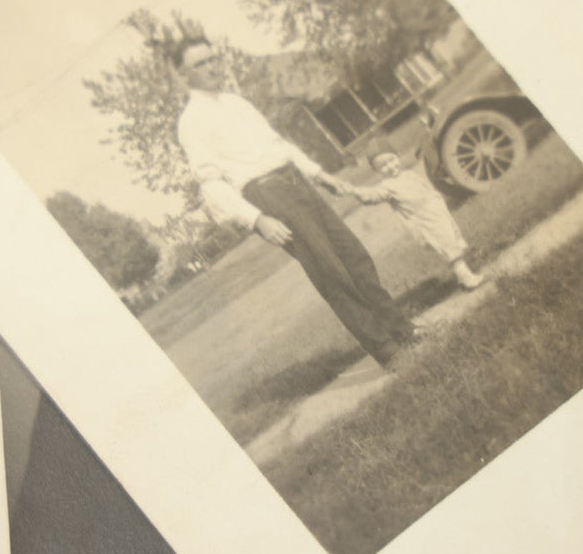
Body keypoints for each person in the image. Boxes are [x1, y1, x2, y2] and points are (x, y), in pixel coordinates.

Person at [173, 40, 417, 364]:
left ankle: (402, 329)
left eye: (213, 59)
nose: (212, 66)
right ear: (184, 75)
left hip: (295, 179)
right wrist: (256, 219)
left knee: (353, 255)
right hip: (267, 194)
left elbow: (279, 145)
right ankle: (386, 350)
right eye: (201, 64)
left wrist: (320, 175)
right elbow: (211, 183)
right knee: (330, 271)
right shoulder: (191, 122)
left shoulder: (235, 102)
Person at [346, 147, 486, 290]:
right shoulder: (386, 187)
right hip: (424, 220)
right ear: (375, 170)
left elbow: (427, 188)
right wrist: (356, 191)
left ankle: (463, 275)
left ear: (398, 156)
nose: (390, 167)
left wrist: (437, 199)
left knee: (453, 238)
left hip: (437, 212)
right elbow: (373, 196)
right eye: (383, 166)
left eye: (391, 160)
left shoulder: (409, 174)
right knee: (448, 246)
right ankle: (466, 278)